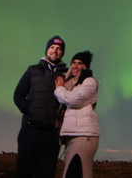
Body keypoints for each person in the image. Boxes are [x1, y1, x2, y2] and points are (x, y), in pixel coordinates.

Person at [13, 35, 68, 178]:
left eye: (58, 49)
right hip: (30, 130)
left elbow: (72, 100)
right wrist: (30, 111)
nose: (55, 51)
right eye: (52, 47)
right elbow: (18, 94)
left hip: (52, 134)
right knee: (24, 171)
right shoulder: (33, 70)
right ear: (47, 50)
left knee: (46, 173)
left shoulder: (66, 74)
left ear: (62, 53)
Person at [54, 50, 99, 178]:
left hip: (83, 135)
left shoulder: (90, 82)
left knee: (77, 173)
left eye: (80, 63)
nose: (75, 66)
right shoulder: (70, 84)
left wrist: (59, 89)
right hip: (71, 135)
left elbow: (73, 100)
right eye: (73, 62)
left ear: (86, 66)